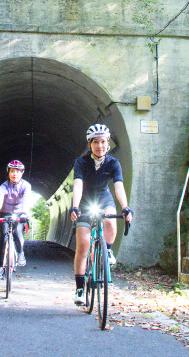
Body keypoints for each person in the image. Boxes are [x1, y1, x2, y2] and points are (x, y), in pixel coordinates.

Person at [68, 123, 133, 306]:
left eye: (103, 142)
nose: (100, 146)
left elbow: (118, 186)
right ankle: (80, 289)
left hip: (104, 198)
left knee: (111, 222)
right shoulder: (81, 162)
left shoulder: (113, 163)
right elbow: (78, 184)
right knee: (83, 245)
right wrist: (75, 207)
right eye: (95, 142)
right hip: (86, 201)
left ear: (108, 143)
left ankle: (108, 250)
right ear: (90, 144)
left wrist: (125, 207)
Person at [0, 160, 39, 280]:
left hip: (19, 213)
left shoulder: (26, 186)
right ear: (8, 172)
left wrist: (25, 214)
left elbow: (26, 201)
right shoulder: (3, 187)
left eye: (17, 171)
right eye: (12, 171)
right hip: (5, 213)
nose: (14, 174)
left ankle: (20, 253)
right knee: (4, 237)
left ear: (22, 173)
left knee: (17, 232)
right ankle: (1, 267)